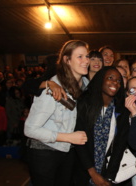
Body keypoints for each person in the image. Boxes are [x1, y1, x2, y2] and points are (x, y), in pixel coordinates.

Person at [24, 40, 88, 186]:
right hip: (44, 153)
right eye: (80, 56)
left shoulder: (84, 85)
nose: (86, 61)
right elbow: (30, 129)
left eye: (87, 56)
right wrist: (68, 137)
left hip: (66, 151)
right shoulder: (53, 88)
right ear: (67, 60)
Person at [74, 66, 129, 185]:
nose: (115, 82)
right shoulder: (84, 103)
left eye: (119, 81)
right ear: (100, 80)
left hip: (109, 171)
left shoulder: (121, 109)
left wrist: (109, 177)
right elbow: (79, 141)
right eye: (110, 78)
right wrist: (93, 173)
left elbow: (120, 145)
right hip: (83, 170)